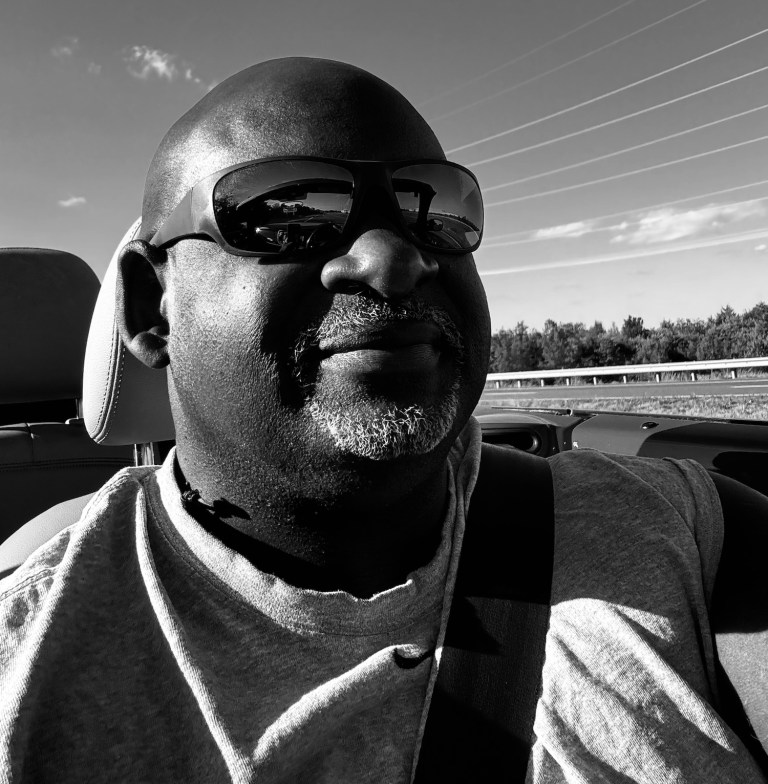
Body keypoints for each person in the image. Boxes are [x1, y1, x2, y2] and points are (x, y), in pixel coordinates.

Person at [0, 56, 767, 783]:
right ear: (151, 307)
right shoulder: (25, 661)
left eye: (432, 208)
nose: (395, 260)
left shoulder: (687, 536)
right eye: (287, 212)